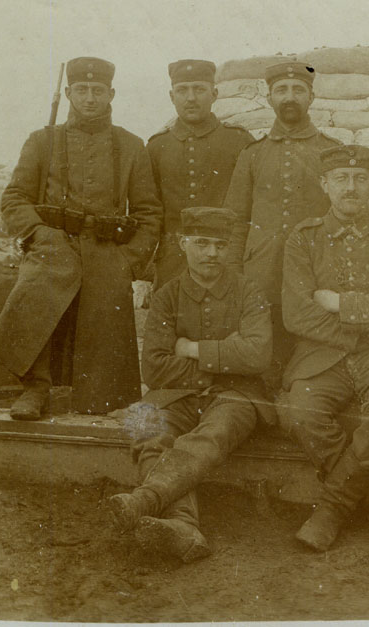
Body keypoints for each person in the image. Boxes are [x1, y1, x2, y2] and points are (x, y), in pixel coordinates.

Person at [0, 57, 161, 419]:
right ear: (68, 93)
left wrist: (129, 260)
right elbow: (14, 198)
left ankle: (98, 398)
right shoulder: (41, 141)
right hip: (52, 245)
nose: (90, 98)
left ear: (111, 94)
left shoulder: (131, 145)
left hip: (108, 250)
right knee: (36, 289)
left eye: (98, 91)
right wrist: (39, 235)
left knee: (105, 320)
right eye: (82, 90)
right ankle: (35, 389)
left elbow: (148, 212)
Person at [279, 145, 369, 551]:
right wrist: (368, 319)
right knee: (302, 410)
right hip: (323, 354)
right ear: (325, 185)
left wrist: (341, 303)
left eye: (360, 178)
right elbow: (297, 314)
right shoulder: (303, 238)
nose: (351, 187)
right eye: (341, 178)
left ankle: (331, 510)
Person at [108, 207, 272, 562]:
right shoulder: (167, 296)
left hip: (237, 396)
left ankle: (147, 499)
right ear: (183, 244)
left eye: (219, 245)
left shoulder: (248, 291)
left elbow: (258, 354)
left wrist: (191, 350)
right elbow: (153, 368)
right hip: (178, 394)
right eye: (201, 243)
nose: (212, 253)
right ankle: (183, 527)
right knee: (143, 422)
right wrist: (225, 360)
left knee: (214, 433)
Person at [224, 61, 341, 387]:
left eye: (298, 90)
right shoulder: (252, 154)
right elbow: (236, 221)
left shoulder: (331, 152)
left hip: (316, 274)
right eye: (281, 90)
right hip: (263, 272)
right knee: (265, 356)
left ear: (312, 97)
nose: (290, 97)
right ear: (269, 98)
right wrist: (234, 275)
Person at [146, 59, 253, 288]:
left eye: (199, 89)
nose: (191, 97)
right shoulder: (156, 146)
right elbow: (149, 210)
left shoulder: (239, 141)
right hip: (173, 262)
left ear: (214, 94)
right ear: (171, 96)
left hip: (223, 258)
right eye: (182, 90)